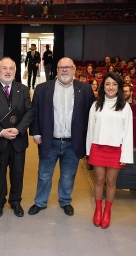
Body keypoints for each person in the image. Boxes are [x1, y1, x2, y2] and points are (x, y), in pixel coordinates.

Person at [28, 57, 95, 216]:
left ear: (74, 69)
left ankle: (65, 201)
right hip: (49, 141)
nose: (64, 70)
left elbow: (91, 115)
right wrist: (36, 133)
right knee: (44, 175)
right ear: (56, 70)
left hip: (74, 142)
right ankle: (40, 202)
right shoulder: (43, 88)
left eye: (68, 67)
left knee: (68, 176)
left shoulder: (84, 89)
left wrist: (89, 139)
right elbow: (35, 112)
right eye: (61, 67)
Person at [0, 57, 34, 218]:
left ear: (15, 71)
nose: (8, 71)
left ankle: (15, 201)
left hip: (18, 139)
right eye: (4, 68)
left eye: (11, 68)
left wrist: (18, 130)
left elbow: (30, 111)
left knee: (18, 173)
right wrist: (1, 131)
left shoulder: (23, 89)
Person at [86, 72, 133, 229]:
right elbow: (90, 130)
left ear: (118, 86)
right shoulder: (96, 105)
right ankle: (98, 210)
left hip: (116, 149)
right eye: (107, 84)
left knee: (111, 181)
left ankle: (107, 211)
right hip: (98, 147)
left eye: (114, 84)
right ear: (103, 86)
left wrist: (125, 154)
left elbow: (128, 132)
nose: (110, 87)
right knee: (99, 180)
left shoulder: (125, 107)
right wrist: (88, 151)